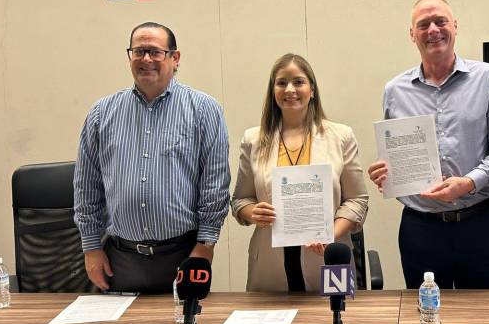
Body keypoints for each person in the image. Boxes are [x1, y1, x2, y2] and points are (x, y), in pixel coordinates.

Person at [367, 0, 489, 289]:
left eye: (440, 21)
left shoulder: (488, 77)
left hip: (478, 224)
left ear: (455, 26)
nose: (433, 30)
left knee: (484, 312)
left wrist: (470, 182)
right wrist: (386, 172)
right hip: (420, 229)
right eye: (423, 24)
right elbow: (396, 150)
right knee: (427, 312)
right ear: (412, 34)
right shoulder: (395, 90)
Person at [74, 22, 230, 294]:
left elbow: (215, 184)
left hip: (184, 254)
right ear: (130, 57)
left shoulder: (204, 110)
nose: (146, 59)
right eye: (139, 51)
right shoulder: (102, 113)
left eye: (155, 52)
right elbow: (87, 186)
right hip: (119, 259)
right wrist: (91, 247)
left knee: (184, 321)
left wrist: (206, 245)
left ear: (175, 58)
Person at [231, 53, 368, 292]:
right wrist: (253, 213)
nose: (290, 89)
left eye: (298, 82)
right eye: (281, 83)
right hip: (270, 263)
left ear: (312, 90)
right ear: (273, 91)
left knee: (335, 313)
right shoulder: (253, 139)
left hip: (328, 257)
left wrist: (329, 234)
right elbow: (240, 200)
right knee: (271, 317)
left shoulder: (341, 136)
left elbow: (358, 200)